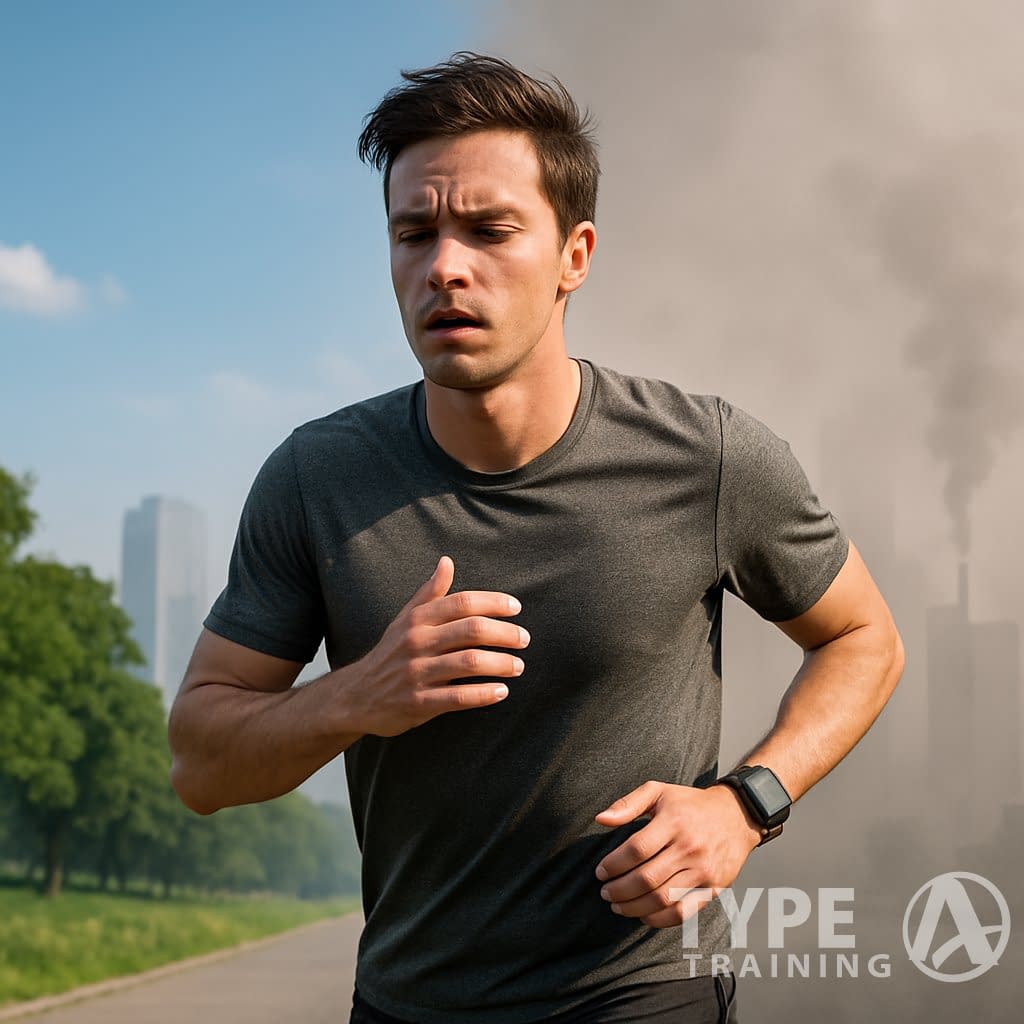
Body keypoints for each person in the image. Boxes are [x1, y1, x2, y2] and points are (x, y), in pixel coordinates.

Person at [168, 52, 904, 1024]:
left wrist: (746, 802)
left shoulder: (708, 456)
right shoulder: (315, 479)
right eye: (413, 232)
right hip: (405, 1002)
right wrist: (356, 694)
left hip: (642, 993)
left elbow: (864, 640)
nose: (444, 266)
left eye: (488, 230)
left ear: (575, 255)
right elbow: (202, 767)